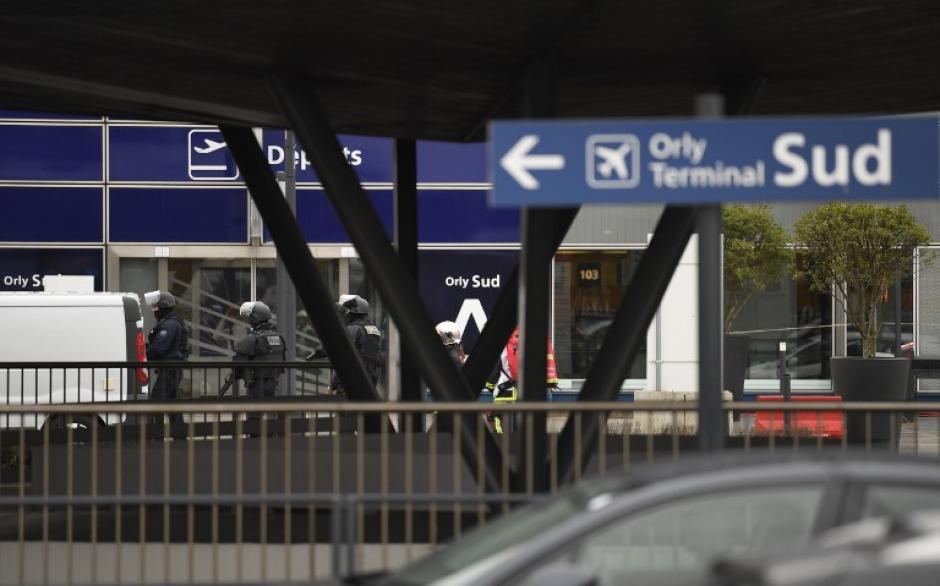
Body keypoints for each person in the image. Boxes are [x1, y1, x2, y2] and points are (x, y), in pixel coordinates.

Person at [485, 327, 559, 433]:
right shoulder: (537, 340)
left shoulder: (505, 345)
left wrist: (494, 389)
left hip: (505, 397)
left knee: (502, 436)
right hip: (531, 397)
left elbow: (490, 381)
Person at [144, 290, 188, 425]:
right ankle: (180, 438)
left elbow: (158, 348)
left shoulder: (170, 324)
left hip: (170, 369)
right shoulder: (170, 321)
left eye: (155, 307)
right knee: (173, 405)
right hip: (171, 369)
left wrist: (143, 354)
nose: (154, 311)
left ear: (163, 307)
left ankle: (156, 437)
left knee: (156, 401)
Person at [232, 301, 287, 401]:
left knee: (255, 414)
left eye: (249, 319)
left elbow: (237, 363)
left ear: (254, 319)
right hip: (273, 383)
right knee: (269, 412)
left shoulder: (253, 339)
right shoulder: (279, 338)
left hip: (256, 385)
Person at [329, 294, 382, 396]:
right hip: (369, 384)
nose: (345, 315)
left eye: (347, 312)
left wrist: (333, 385)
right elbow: (377, 360)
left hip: (349, 385)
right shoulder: (374, 330)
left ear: (353, 312)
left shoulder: (352, 329)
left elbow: (343, 358)